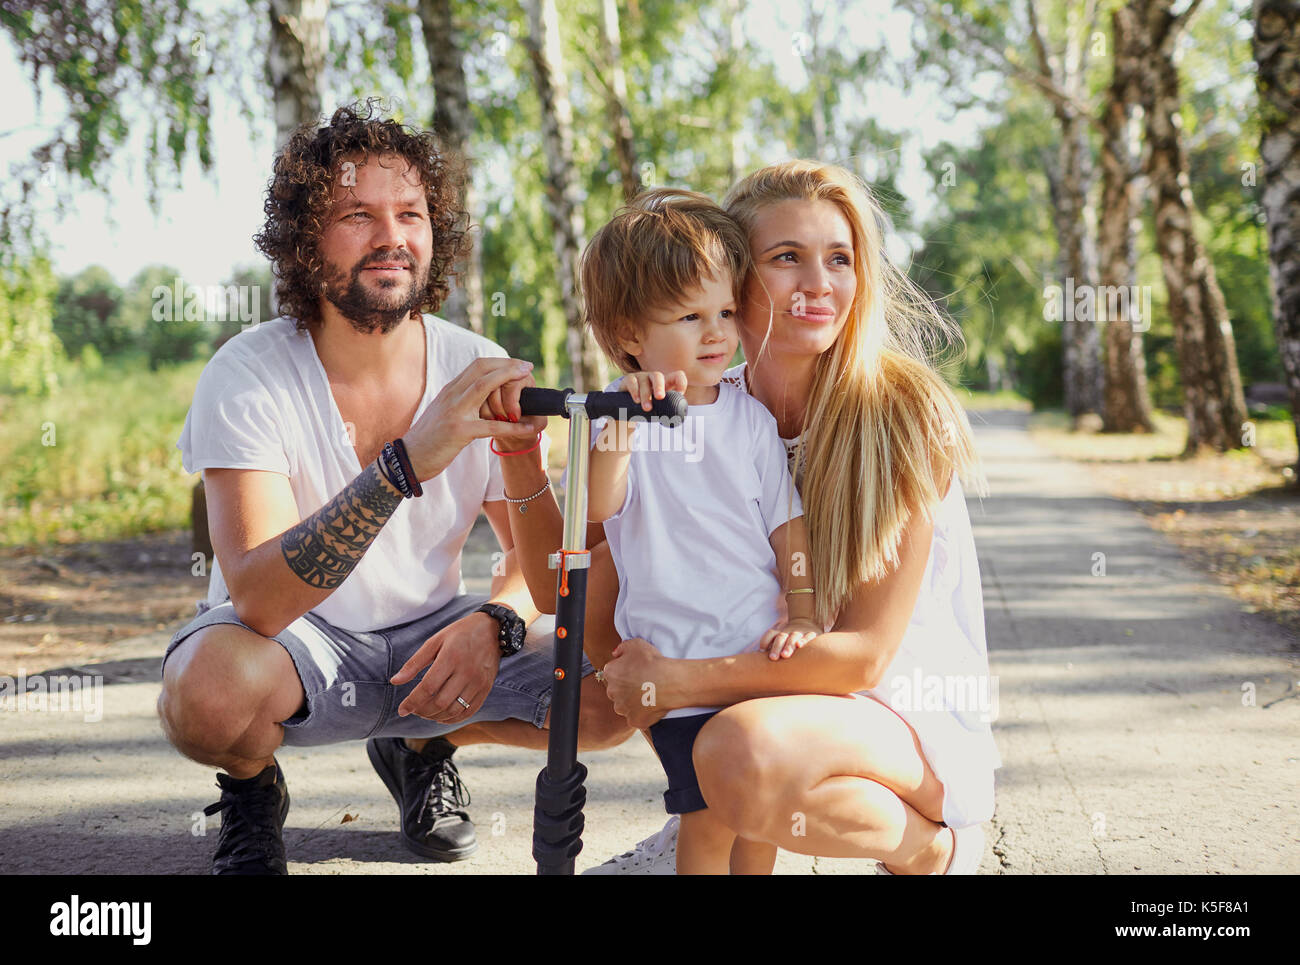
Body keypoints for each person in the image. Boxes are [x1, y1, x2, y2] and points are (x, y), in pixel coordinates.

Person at [157, 102, 629, 875]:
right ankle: (250, 786)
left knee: (616, 681)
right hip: (300, 647)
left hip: (435, 645)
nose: (392, 236)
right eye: (358, 215)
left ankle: (425, 742)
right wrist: (406, 461)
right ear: (306, 240)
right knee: (205, 692)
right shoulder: (246, 373)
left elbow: (543, 585)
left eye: (410, 213)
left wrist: (494, 623)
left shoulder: (476, 359)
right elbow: (260, 601)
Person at [492, 160, 1000, 874]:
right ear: (735, 280)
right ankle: (711, 810)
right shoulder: (700, 407)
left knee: (739, 751)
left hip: (896, 714)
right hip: (774, 694)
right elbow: (563, 590)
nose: (818, 283)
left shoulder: (900, 416)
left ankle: (930, 847)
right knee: (615, 587)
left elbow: (864, 656)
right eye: (786, 258)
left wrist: (678, 681)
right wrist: (519, 461)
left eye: (840, 258)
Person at [580, 190, 822, 873]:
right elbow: (601, 504)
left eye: (724, 312)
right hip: (675, 659)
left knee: (758, 814)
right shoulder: (622, 422)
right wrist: (619, 433)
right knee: (708, 816)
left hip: (753, 656)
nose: (717, 333)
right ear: (630, 336)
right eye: (690, 317)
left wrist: (802, 610)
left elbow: (787, 524)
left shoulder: (748, 417)